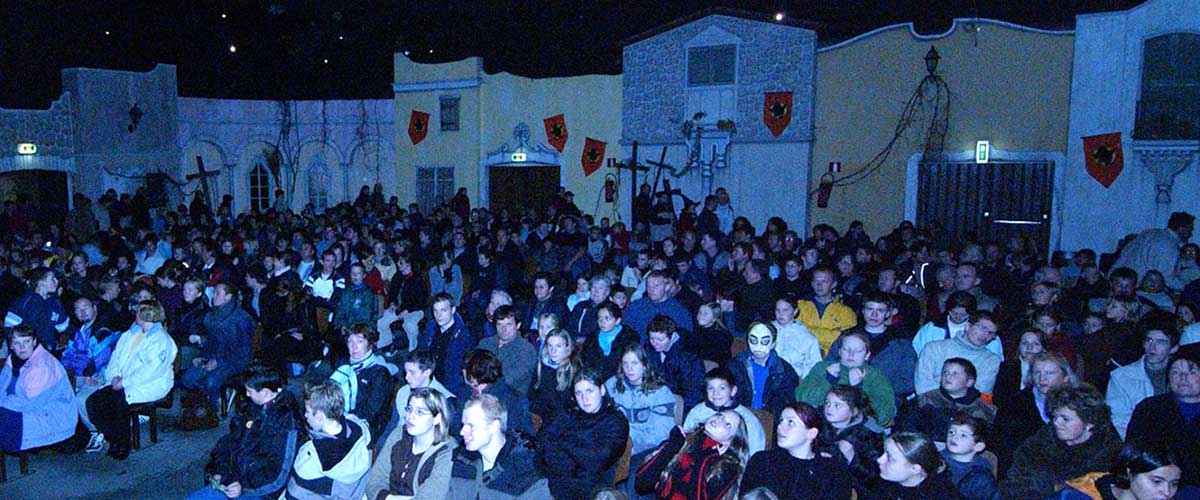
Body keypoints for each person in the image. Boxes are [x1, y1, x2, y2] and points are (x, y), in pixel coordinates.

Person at [187, 364, 303, 500]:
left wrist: (243, 489)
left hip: (260, 491)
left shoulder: (288, 423)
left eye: (249, 391)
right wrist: (222, 472)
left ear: (265, 392)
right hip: (236, 479)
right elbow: (229, 442)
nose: (246, 394)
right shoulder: (254, 408)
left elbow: (278, 477)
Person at [86, 300, 177, 460]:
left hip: (149, 384)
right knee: (93, 402)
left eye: (137, 312)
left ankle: (123, 443)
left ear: (144, 315)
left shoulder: (161, 340)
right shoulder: (130, 334)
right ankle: (113, 437)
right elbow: (116, 357)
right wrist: (114, 375)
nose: (134, 315)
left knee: (117, 402)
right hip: (122, 381)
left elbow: (152, 370)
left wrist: (124, 382)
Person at [1000, 385, 1124, 499]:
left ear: (1089, 422)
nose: (1056, 423)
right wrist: (1053, 487)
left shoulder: (1109, 452)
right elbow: (1015, 482)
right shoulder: (1042, 440)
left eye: (1065, 419)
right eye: (1055, 416)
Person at [537, 369, 630, 499]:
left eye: (589, 391)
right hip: (554, 479)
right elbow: (542, 442)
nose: (584, 399)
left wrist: (563, 442)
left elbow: (595, 462)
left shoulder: (616, 421)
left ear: (602, 390)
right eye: (578, 393)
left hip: (592, 488)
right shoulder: (569, 414)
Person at [606, 344, 680, 497]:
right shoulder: (612, 385)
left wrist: (632, 445)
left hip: (646, 448)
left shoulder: (660, 392)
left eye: (634, 363)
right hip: (616, 443)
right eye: (625, 363)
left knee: (634, 477)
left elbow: (662, 433)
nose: (629, 368)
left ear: (645, 366)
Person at [739, 401, 853, 499]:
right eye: (781, 421)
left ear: (811, 433)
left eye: (790, 422)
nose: (780, 427)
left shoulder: (833, 471)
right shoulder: (762, 461)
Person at [448, 394, 552, 499]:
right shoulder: (461, 459)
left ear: (494, 426)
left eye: (471, 426)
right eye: (463, 425)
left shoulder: (526, 469)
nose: (462, 432)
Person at [1126, 348, 1200, 493]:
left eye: (1192, 372)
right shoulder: (1149, 409)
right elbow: (1134, 452)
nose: (1183, 377)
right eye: (1175, 372)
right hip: (1158, 486)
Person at [993, 352, 1080, 476]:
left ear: (1065, 377)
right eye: (1037, 373)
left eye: (1049, 373)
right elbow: (1004, 450)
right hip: (1028, 474)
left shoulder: (1081, 403)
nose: (1042, 378)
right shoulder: (1013, 405)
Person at [364, 388, 457, 500]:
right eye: (409, 409)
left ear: (437, 418)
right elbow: (374, 480)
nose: (410, 416)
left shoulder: (448, 450)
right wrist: (388, 498)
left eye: (420, 412)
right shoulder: (398, 434)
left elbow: (429, 497)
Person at [635, 410, 749, 500]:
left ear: (729, 442)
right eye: (720, 415)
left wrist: (704, 459)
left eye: (728, 424)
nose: (719, 420)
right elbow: (642, 484)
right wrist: (671, 447)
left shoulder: (728, 467)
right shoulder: (685, 440)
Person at [285, 381, 372, 499]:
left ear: (320, 416)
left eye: (308, 412)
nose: (305, 415)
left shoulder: (312, 455)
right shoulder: (362, 430)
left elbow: (294, 494)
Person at [827, 292, 918, 401]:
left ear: (888, 313)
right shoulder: (847, 336)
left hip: (883, 398)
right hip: (845, 395)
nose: (874, 315)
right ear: (863, 311)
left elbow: (908, 382)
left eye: (880, 310)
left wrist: (875, 386)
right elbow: (828, 364)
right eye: (870, 309)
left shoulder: (901, 343)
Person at [0, 326, 77, 453]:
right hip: (21, 409)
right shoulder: (12, 359)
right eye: (17, 343)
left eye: (26, 341)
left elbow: (29, 403)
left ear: (34, 341)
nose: (22, 347)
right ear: (11, 345)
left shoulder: (42, 365)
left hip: (51, 416)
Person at [798, 330, 896, 426]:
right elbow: (802, 399)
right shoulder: (823, 368)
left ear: (867, 355)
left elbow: (883, 415)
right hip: (821, 424)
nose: (851, 354)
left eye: (858, 351)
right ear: (840, 351)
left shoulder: (876, 376)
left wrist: (858, 389)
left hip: (858, 430)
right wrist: (828, 381)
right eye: (846, 349)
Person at [1106, 311, 1180, 438]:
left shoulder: (1185, 376)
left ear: (1173, 348)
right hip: (1140, 444)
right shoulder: (1121, 377)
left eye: (1161, 342)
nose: (1152, 347)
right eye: (1149, 340)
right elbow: (1118, 422)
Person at [183, 281, 254, 409]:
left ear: (228, 297)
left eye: (217, 293)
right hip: (212, 356)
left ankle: (212, 409)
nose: (213, 296)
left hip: (234, 360)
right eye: (213, 292)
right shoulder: (212, 315)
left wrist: (219, 362)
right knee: (188, 379)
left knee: (211, 382)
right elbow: (211, 341)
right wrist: (201, 357)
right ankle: (214, 398)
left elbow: (243, 351)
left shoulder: (241, 318)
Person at [896, 358, 995, 443]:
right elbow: (905, 428)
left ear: (969, 382)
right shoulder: (924, 400)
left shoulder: (983, 409)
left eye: (955, 374)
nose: (948, 376)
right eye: (945, 372)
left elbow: (987, 439)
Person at [329, 323, 395, 446]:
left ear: (370, 344)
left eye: (359, 341)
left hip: (367, 424)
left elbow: (372, 411)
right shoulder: (343, 365)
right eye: (350, 341)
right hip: (339, 417)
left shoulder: (379, 372)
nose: (354, 347)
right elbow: (330, 393)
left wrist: (342, 421)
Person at [815, 385, 885, 496]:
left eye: (837, 405)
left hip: (852, 488)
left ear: (854, 411)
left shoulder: (869, 435)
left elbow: (873, 479)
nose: (829, 408)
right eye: (827, 403)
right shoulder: (819, 421)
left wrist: (851, 456)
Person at [1054, 440, 1183, 500]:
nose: (1166, 493)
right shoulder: (1078, 497)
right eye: (1156, 481)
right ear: (1130, 473)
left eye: (1174, 484)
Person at [914, 311, 1002, 396]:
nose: (985, 335)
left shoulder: (991, 361)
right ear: (968, 326)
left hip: (966, 408)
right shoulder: (934, 348)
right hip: (929, 403)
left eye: (991, 333)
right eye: (983, 328)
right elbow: (922, 384)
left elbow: (980, 392)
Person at [728, 322, 802, 418]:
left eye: (764, 341)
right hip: (737, 417)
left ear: (773, 344)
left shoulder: (785, 372)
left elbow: (786, 406)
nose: (758, 347)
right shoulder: (734, 366)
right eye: (754, 341)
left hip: (769, 421)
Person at [1113, 211, 1194, 289]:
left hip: (1116, 283)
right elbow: (1166, 279)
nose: (1191, 233)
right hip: (1136, 289)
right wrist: (1189, 288)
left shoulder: (1149, 232)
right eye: (1190, 229)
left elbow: (1124, 254)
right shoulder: (1169, 246)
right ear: (1181, 229)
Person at [461, 349, 533, 436]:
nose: (463, 371)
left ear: (475, 375)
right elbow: (457, 429)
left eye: (466, 369)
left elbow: (524, 435)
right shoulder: (464, 394)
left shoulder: (514, 400)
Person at [418, 293, 477, 399]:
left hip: (449, 388)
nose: (439, 315)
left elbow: (461, 373)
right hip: (427, 381)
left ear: (453, 310)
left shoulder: (464, 336)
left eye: (443, 310)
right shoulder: (430, 329)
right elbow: (422, 355)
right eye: (435, 311)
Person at [874, 432, 964, 500]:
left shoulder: (942, 495)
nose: (879, 460)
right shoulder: (885, 480)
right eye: (884, 452)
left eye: (890, 458)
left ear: (915, 468)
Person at [644, 315, 706, 409]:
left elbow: (694, 391)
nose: (655, 343)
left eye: (661, 339)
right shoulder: (648, 350)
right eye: (652, 339)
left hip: (679, 404)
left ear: (673, 336)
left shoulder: (689, 357)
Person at [477, 305, 538, 396]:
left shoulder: (527, 350)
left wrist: (481, 385)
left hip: (510, 401)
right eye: (499, 324)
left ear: (518, 325)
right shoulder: (485, 344)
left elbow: (509, 380)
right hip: (480, 394)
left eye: (508, 324)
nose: (504, 329)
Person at [796, 266, 858, 353]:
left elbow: (843, 340)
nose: (819, 285)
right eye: (816, 281)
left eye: (824, 281)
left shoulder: (846, 312)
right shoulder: (800, 305)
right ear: (812, 283)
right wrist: (831, 333)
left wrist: (808, 329)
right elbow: (795, 332)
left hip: (832, 358)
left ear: (833, 284)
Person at [5, 267, 70, 350]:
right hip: (27, 351)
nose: (56, 281)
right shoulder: (24, 302)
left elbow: (63, 327)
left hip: (48, 350)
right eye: (52, 279)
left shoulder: (55, 303)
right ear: (40, 283)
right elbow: (9, 327)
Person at [940, 414, 1000, 500]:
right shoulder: (937, 457)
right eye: (951, 432)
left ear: (978, 447)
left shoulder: (981, 478)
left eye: (963, 435)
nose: (954, 437)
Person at [530, 328, 582, 424]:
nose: (553, 351)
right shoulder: (542, 365)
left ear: (567, 347)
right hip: (539, 415)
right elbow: (532, 392)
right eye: (550, 346)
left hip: (562, 419)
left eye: (558, 346)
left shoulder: (574, 370)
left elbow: (568, 404)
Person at [580, 301, 642, 381]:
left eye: (607, 318)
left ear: (617, 321)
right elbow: (585, 361)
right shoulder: (592, 338)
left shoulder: (629, 337)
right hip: (596, 380)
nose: (602, 322)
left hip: (621, 380)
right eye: (600, 318)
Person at [622, 271, 694, 338]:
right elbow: (625, 330)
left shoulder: (678, 311)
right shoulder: (636, 306)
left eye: (656, 286)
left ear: (666, 287)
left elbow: (684, 337)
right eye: (648, 286)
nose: (651, 289)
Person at [992, 329, 1046, 411]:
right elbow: (999, 397)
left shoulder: (1050, 369)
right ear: (1019, 346)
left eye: (1036, 344)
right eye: (1025, 343)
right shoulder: (1007, 367)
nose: (1029, 347)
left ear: (1043, 348)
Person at [771, 297, 823, 379]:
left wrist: (801, 375)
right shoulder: (767, 329)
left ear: (795, 311)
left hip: (793, 377)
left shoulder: (806, 337)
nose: (781, 314)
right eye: (778, 310)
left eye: (785, 310)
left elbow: (815, 364)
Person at [332, 262, 380, 330]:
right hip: (346, 328)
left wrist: (352, 327)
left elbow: (366, 315)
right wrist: (342, 325)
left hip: (363, 328)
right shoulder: (346, 292)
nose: (355, 275)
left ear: (364, 275)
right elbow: (339, 312)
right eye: (352, 273)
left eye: (358, 273)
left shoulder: (369, 294)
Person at [687, 302, 733, 369]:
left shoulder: (721, 336)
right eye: (700, 312)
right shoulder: (698, 330)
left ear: (714, 318)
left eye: (705, 314)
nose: (701, 316)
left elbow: (719, 360)